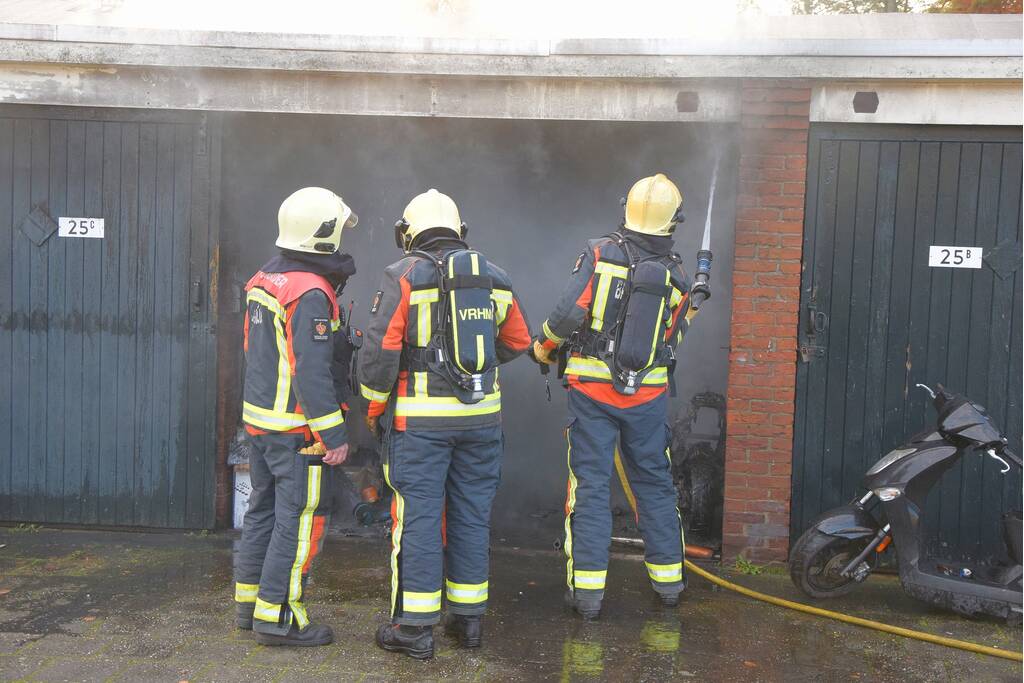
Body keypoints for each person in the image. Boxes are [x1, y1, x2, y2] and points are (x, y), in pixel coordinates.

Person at [359, 189, 531, 659]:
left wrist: (374, 411)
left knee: (417, 518)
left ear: (409, 233)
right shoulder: (494, 276)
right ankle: (468, 621)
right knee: (471, 515)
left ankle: (413, 629)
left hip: (420, 425)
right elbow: (519, 340)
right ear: (460, 230)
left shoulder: (403, 276)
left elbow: (379, 354)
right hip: (481, 420)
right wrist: (472, 369)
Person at [532, 173, 693, 620]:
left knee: (590, 488)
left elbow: (567, 313)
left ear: (627, 209)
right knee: (655, 487)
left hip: (593, 394)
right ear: (671, 221)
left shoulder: (601, 253)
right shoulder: (679, 275)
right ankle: (669, 586)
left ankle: (587, 595)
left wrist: (542, 348)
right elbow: (673, 336)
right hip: (647, 397)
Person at [233, 187, 359, 646]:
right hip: (295, 430)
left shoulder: (264, 278)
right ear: (322, 235)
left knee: (262, 512)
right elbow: (311, 369)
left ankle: (250, 606)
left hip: (262, 422)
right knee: (300, 518)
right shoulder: (310, 292)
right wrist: (334, 434)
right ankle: (279, 618)